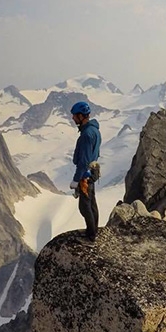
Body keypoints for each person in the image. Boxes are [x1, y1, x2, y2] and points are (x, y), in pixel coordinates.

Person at [69, 100, 102, 241]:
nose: (73, 118)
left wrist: (76, 180)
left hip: (86, 174)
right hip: (93, 171)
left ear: (81, 116)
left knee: (85, 206)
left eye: (75, 115)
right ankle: (93, 230)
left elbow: (83, 161)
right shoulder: (94, 130)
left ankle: (91, 236)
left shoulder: (86, 135)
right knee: (91, 202)